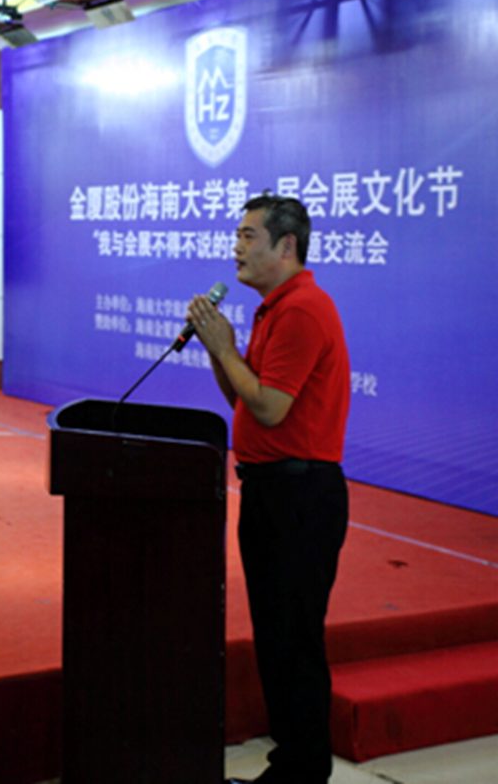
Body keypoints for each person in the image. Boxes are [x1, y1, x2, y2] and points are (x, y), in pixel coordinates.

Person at [187, 193, 350, 784]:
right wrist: (219, 351)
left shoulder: (302, 309)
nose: (237, 247)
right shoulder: (273, 308)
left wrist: (224, 347)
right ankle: (293, 766)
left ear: (287, 246)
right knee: (277, 638)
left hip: (299, 497)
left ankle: (302, 771)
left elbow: (271, 408)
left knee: (293, 640)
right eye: (237, 235)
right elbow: (244, 398)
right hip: (270, 491)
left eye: (248, 236)